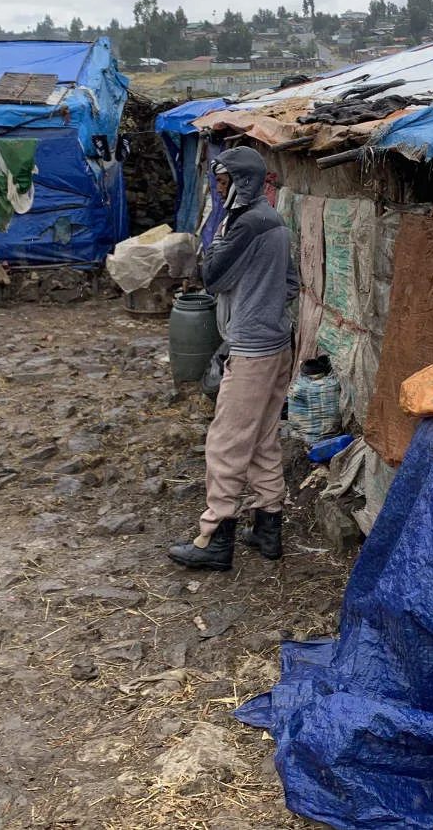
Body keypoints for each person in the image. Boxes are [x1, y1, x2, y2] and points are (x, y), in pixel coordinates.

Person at [169, 146, 299, 571]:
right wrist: (267, 307)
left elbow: (214, 276)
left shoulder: (247, 224)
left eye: (225, 183)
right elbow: (292, 283)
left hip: (253, 349)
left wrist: (248, 311)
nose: (220, 190)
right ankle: (268, 527)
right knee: (262, 437)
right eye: (218, 183)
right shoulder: (274, 221)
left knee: (226, 441)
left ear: (244, 183)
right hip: (277, 344)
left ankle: (214, 537)